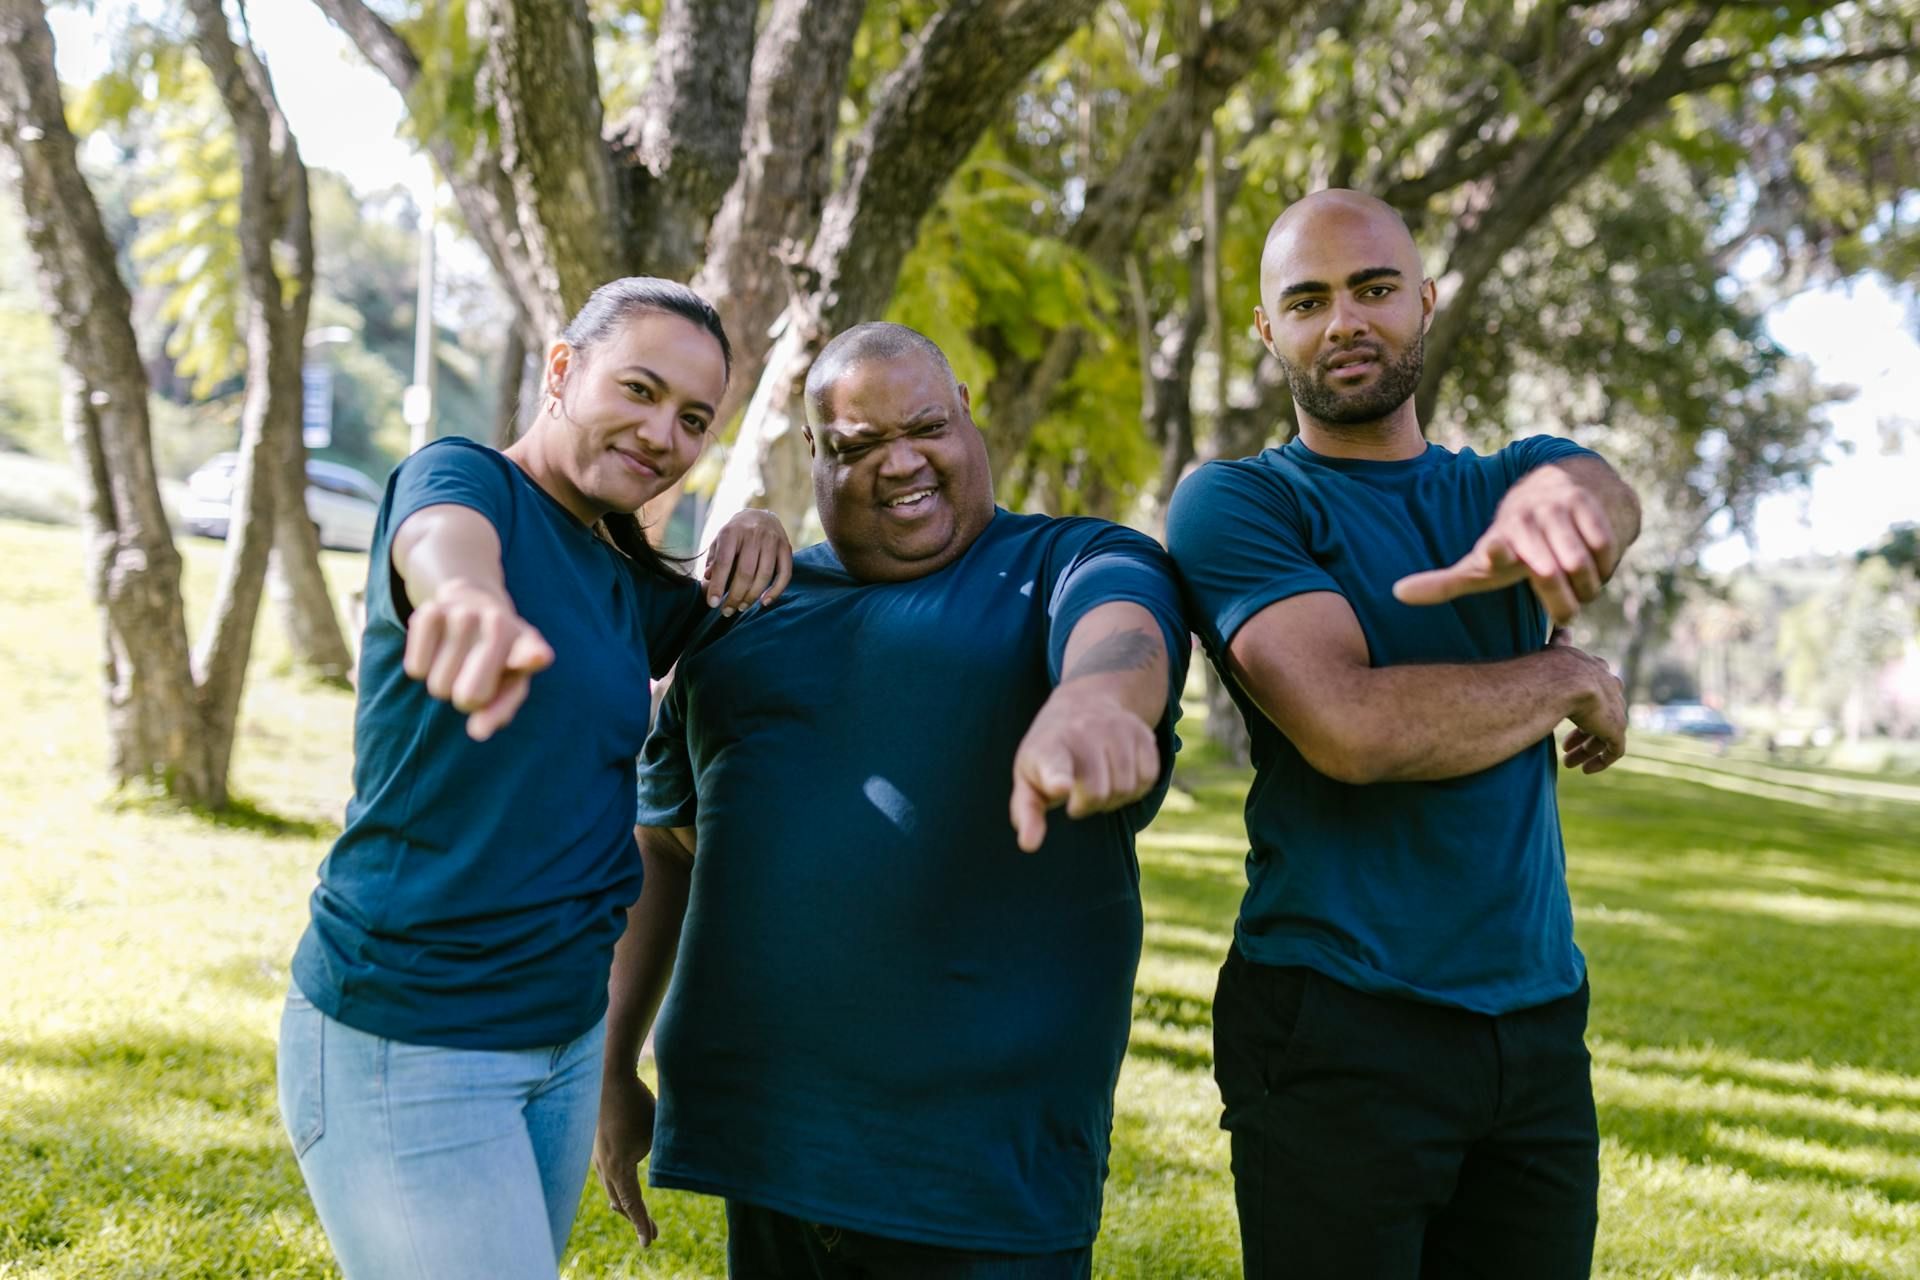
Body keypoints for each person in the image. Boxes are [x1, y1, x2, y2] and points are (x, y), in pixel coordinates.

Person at [592, 322, 1190, 1278]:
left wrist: (1098, 703)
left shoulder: (1064, 562)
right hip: (773, 1151)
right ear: (814, 458)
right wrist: (614, 1066)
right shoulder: (745, 613)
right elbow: (665, 844)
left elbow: (1123, 621)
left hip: (983, 1175)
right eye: (859, 446)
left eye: (925, 428)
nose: (901, 463)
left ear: (967, 416)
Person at [1164, 189, 1641, 1279]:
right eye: (1309, 299)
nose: (1345, 321)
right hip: (1336, 1021)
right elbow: (1351, 727)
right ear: (1266, 328)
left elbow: (1602, 488)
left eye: (1375, 288)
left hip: (1536, 1019)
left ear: (1424, 300)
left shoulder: (1500, 483)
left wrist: (1573, 500)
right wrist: (1565, 673)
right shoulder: (1238, 504)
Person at [277, 277, 793, 1280]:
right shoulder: (466, 480)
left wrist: (762, 526)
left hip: (562, 1040)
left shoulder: (620, 574)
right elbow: (439, 538)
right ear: (562, 369)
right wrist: (467, 599)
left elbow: (728, 613)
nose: (660, 433)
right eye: (638, 389)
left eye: (692, 419)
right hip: (411, 1037)